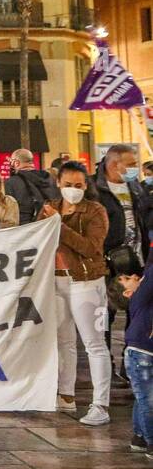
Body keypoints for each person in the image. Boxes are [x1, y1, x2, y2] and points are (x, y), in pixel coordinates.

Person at [40, 161, 111, 425]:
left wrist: (59, 225)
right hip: (56, 282)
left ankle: (100, 405)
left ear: (86, 185)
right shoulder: (50, 207)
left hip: (87, 282)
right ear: (58, 184)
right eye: (68, 185)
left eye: (78, 185)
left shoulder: (94, 210)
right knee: (64, 341)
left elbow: (91, 247)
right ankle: (66, 396)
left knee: (94, 344)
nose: (73, 190)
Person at [94, 143, 152, 387]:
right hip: (107, 263)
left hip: (136, 260)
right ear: (113, 164)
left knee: (137, 313)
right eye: (130, 164)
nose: (134, 169)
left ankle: (131, 363)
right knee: (104, 317)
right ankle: (105, 365)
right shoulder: (95, 188)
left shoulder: (135, 186)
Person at [114, 258, 152, 459]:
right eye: (127, 279)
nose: (135, 277)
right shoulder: (139, 298)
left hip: (142, 354)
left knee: (142, 396)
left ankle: (139, 437)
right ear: (127, 293)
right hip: (142, 355)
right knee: (148, 400)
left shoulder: (143, 298)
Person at [5, 148, 54, 225]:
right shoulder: (47, 178)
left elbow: (10, 211)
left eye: (11, 162)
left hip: (24, 227)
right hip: (46, 225)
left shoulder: (11, 182)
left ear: (16, 163)